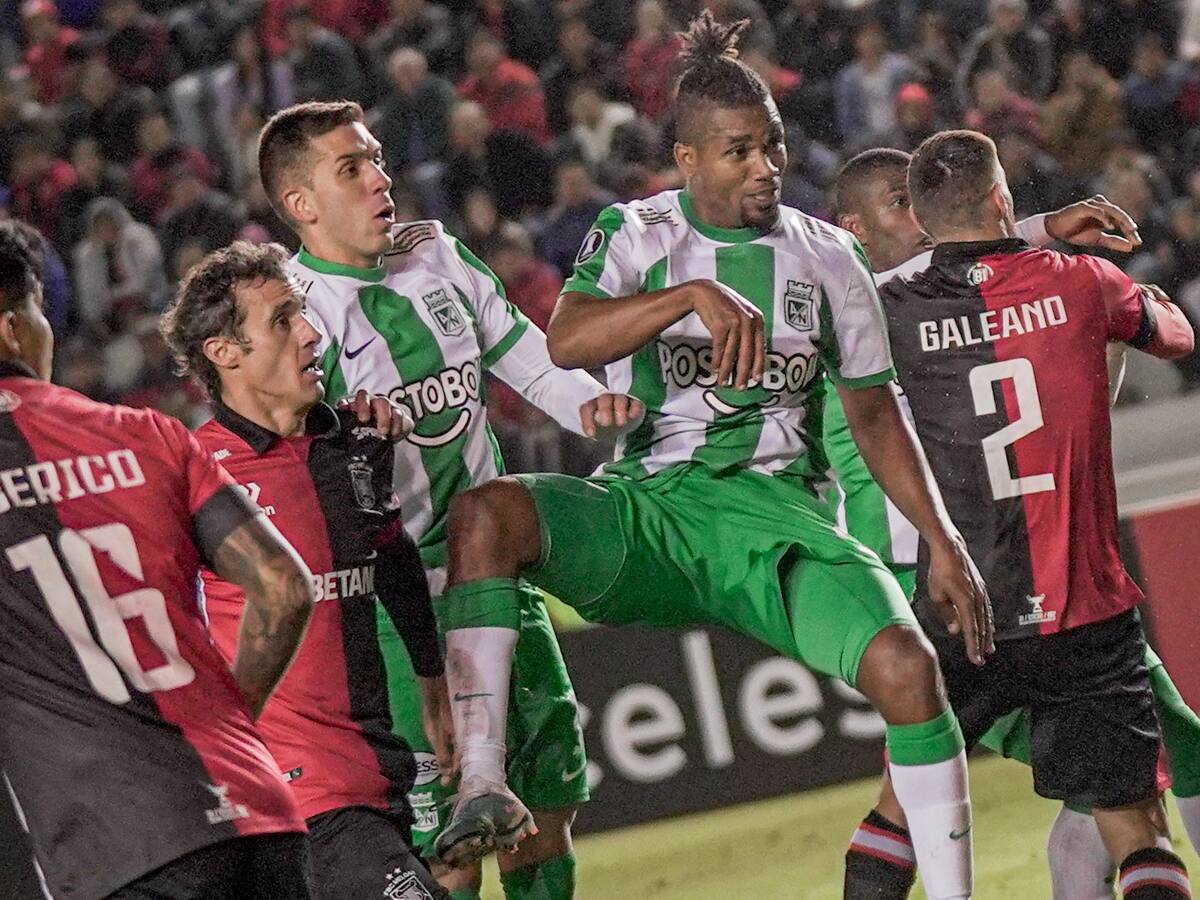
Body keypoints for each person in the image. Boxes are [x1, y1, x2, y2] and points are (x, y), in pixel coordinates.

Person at [436, 15, 993, 900]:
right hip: (648, 508)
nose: (765, 167)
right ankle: (478, 776)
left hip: (778, 518)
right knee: (487, 514)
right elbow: (569, 338)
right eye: (738, 152)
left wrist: (943, 543)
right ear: (687, 160)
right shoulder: (636, 232)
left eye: (770, 146)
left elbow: (877, 419)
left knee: (908, 669)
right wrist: (691, 295)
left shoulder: (830, 256)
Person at [258, 100, 639, 900]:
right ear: (301, 204)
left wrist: (597, 409)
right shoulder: (292, 319)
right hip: (392, 616)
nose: (379, 179)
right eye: (350, 168)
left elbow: (531, 365)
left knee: (542, 814)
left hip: (494, 582)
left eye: (377, 159)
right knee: (444, 850)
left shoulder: (439, 259)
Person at [833, 145, 1200, 897]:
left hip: (960, 602)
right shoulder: (1078, 282)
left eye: (915, 203)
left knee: (909, 809)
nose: (912, 218)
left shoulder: (877, 321)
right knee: (1135, 813)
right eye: (892, 204)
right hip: (1058, 600)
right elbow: (1173, 335)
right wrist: (1041, 236)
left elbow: (943, 270)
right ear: (851, 231)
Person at [0, 221, 316, 898]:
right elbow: (284, 588)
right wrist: (224, 724)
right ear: (12, 331)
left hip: (118, 847)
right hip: (257, 813)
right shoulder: (147, 433)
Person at [160, 240, 449, 900]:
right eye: (283, 321)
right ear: (224, 352)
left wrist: (432, 682)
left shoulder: (353, 442)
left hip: (375, 773)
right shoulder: (194, 470)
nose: (312, 333)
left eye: (302, 313)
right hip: (294, 792)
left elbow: (393, 556)